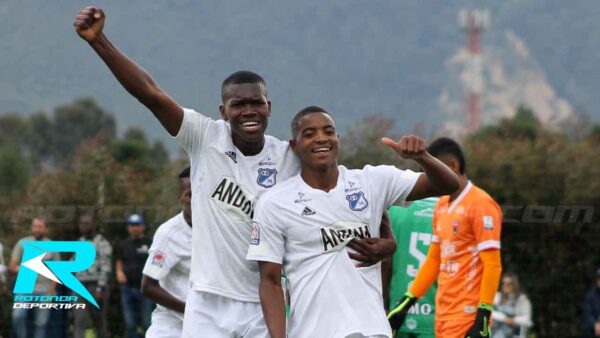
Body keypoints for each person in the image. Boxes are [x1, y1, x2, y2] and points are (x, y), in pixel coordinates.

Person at [74, 7, 397, 337]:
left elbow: (352, 189)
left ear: (269, 107)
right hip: (206, 301)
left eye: (256, 103)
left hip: (264, 300)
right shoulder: (204, 138)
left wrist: (389, 241)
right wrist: (100, 41)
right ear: (223, 111)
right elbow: (150, 93)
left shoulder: (290, 154)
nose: (248, 111)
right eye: (238, 105)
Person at [247, 106, 459, 338]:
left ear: (337, 139)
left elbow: (448, 185)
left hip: (371, 329)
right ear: (294, 146)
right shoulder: (275, 203)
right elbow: (270, 282)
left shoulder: (372, 181)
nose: (321, 138)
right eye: (309, 134)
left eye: (328, 131)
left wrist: (423, 157)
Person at [388, 137, 503, 338]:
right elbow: (433, 260)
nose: (430, 180)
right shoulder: (441, 206)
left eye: (433, 172)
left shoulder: (481, 204)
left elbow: (492, 264)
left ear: (452, 166)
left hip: (468, 318)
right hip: (442, 317)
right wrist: (406, 303)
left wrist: (483, 314)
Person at [141, 167, 193, 337]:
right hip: (172, 325)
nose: (195, 200)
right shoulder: (169, 234)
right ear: (180, 197)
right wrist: (191, 311)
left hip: (210, 325)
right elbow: (148, 287)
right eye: (190, 194)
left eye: (201, 192)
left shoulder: (219, 228)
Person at [384, 198, 438, 338]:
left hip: (396, 312)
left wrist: (382, 305)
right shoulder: (450, 210)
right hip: (436, 317)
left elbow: (385, 262)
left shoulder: (395, 209)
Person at [9, 217, 58, 338]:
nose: (37, 229)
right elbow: (12, 266)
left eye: (40, 227)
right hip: (25, 285)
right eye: (35, 226)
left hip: (45, 289)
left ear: (46, 229)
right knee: (18, 316)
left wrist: (52, 291)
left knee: (41, 323)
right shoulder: (22, 243)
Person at [73, 214, 113, 338]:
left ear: (94, 225)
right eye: (81, 223)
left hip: (95, 285)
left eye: (86, 223)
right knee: (80, 321)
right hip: (80, 287)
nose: (83, 226)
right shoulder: (79, 242)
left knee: (99, 322)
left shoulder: (102, 242)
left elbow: (106, 267)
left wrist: (100, 288)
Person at [116, 213, 154, 338]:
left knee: (147, 322)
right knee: (130, 324)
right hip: (127, 288)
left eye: (137, 225)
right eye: (132, 225)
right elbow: (119, 261)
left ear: (142, 227)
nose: (135, 228)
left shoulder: (149, 243)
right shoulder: (123, 244)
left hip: (145, 288)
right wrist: (119, 272)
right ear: (128, 227)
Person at [491, 273, 532, 338]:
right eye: (504, 283)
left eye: (509, 284)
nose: (505, 285)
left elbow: (527, 319)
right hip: (495, 331)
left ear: (514, 285)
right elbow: (489, 312)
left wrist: (514, 320)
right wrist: (504, 318)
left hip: (514, 332)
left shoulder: (522, 300)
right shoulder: (497, 297)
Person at [582, 268, 600, 338]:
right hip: (593, 329)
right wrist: (595, 325)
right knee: (586, 328)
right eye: (599, 278)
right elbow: (587, 312)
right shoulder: (590, 295)